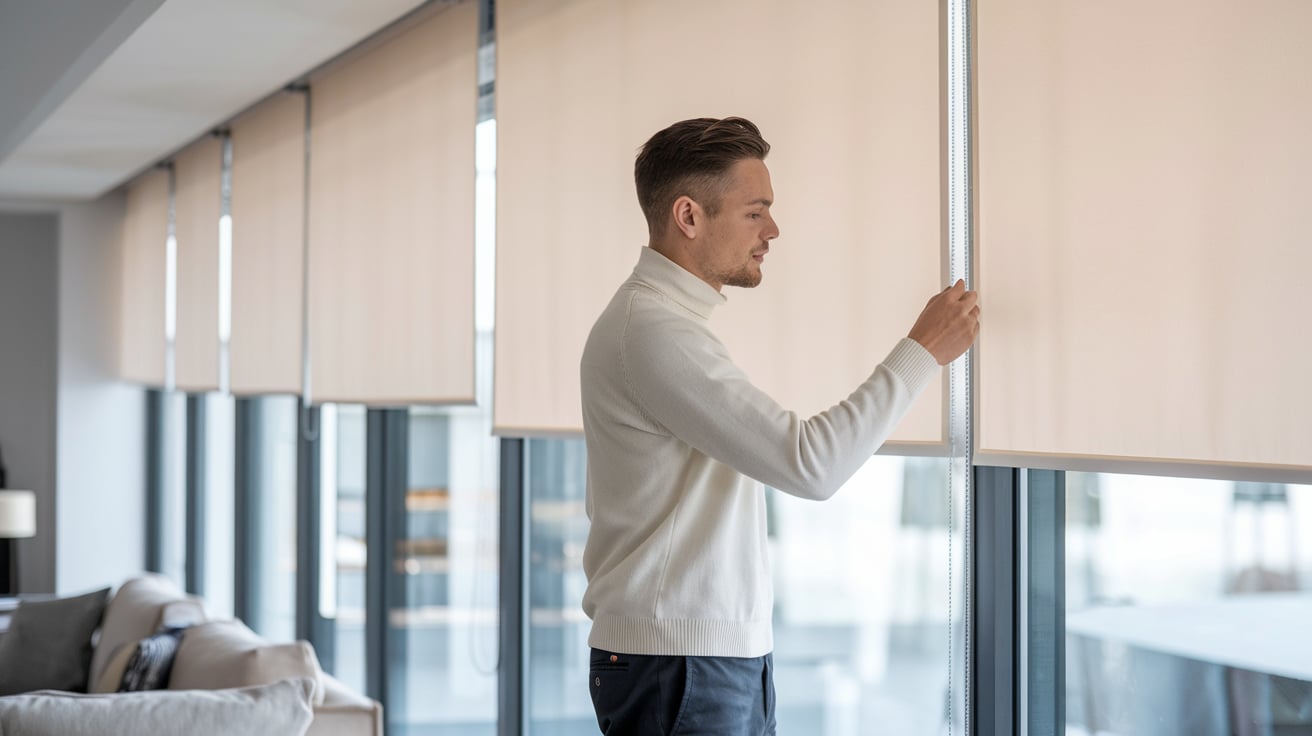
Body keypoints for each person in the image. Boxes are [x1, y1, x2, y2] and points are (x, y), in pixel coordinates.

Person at [579, 116, 980, 735]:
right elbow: (809, 463)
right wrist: (921, 351)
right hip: (681, 664)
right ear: (689, 216)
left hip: (701, 658)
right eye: (754, 212)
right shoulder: (655, 334)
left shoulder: (664, 325)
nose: (773, 230)